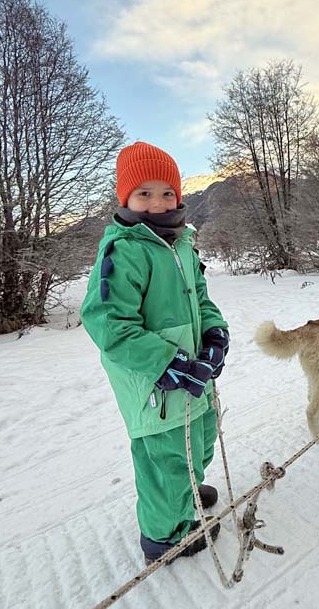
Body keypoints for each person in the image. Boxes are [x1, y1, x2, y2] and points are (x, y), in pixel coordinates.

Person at [81, 141, 230, 564]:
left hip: (193, 377)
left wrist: (215, 333)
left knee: (198, 444)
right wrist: (165, 362)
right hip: (156, 386)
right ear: (125, 197)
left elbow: (201, 299)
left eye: (167, 193)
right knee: (166, 460)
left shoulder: (182, 244)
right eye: (144, 193)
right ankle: (165, 535)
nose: (157, 203)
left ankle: (184, 495)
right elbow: (109, 323)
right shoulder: (124, 250)